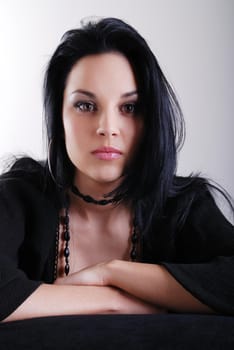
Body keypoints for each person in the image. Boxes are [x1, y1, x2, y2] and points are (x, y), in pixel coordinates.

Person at [0, 17, 233, 323]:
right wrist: (114, 301)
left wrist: (111, 272)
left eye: (130, 108)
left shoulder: (184, 205)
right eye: (85, 105)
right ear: (59, 117)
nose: (107, 128)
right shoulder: (17, 195)